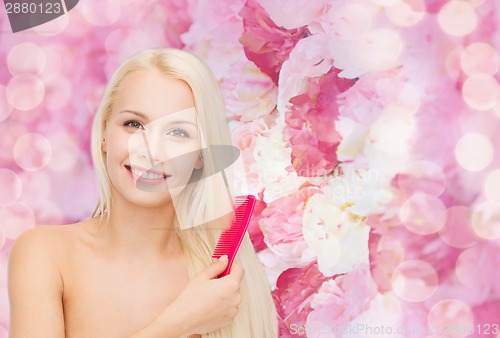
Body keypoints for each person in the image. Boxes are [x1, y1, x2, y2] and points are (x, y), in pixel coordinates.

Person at [7, 48, 278, 338]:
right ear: (104, 136)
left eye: (178, 133)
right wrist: (180, 323)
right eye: (133, 125)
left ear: (201, 157)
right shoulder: (45, 255)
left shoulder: (219, 279)